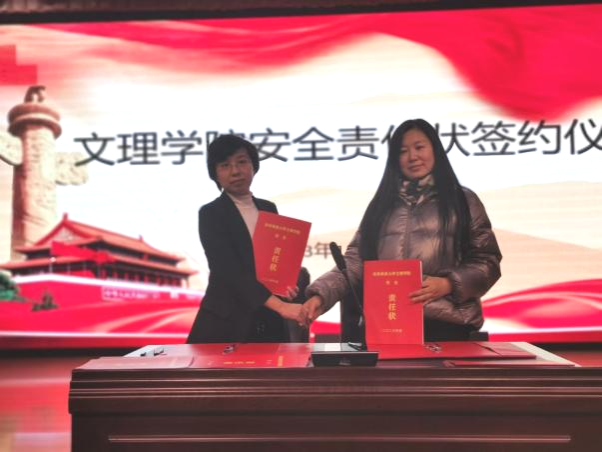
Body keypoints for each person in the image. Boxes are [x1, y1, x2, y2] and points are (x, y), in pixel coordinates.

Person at [302, 119, 502, 341]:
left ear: (435, 150)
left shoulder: (463, 200)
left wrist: (448, 284)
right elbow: (355, 261)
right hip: (388, 323)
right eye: (403, 151)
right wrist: (321, 295)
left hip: (447, 325)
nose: (412, 156)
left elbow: (488, 260)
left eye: (419, 147)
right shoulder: (381, 205)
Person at [187, 134, 306, 343]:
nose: (235, 171)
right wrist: (280, 306)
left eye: (242, 162)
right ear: (215, 174)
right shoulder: (211, 213)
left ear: (254, 165)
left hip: (268, 320)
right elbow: (228, 270)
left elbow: (274, 263)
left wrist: (285, 285)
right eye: (225, 165)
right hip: (227, 321)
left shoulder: (268, 208)